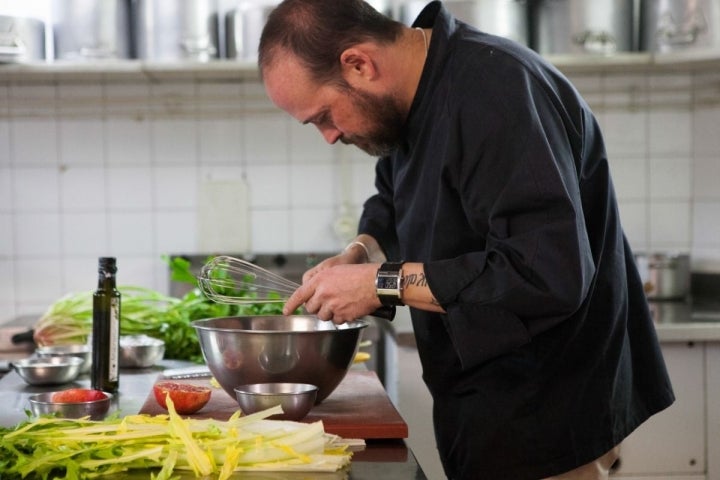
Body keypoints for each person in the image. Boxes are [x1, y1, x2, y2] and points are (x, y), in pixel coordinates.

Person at [258, 1, 675, 478]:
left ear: (359, 64)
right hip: (482, 408)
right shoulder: (412, 98)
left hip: (549, 417)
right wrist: (358, 253)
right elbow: (392, 200)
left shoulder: (497, 91)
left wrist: (381, 282)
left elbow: (547, 273)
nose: (328, 136)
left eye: (323, 116)